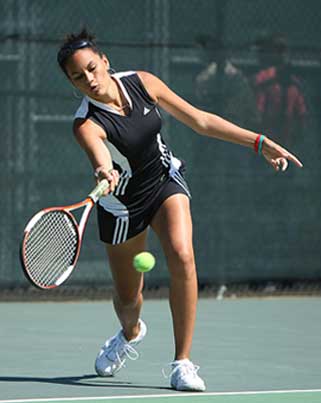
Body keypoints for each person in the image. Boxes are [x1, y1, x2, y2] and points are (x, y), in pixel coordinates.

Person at [57, 29, 303, 392]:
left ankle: (182, 364)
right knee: (129, 300)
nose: (89, 79)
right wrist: (103, 170)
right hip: (123, 207)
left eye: (92, 68)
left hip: (163, 180)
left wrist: (259, 142)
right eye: (78, 77)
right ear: (72, 82)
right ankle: (130, 333)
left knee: (183, 255)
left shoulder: (143, 82)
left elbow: (200, 120)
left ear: (105, 61)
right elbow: (98, 153)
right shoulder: (86, 124)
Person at [254, 33, 307, 147]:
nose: (282, 54)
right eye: (278, 50)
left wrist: (299, 133)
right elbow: (258, 111)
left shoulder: (294, 83)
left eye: (284, 50)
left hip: (287, 140)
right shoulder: (263, 78)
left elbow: (301, 112)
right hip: (264, 140)